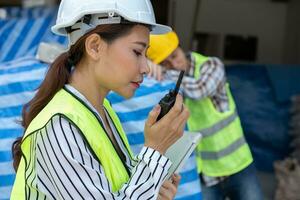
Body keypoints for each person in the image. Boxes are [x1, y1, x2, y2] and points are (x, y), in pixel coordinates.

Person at [10, 1, 190, 199]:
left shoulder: (101, 109)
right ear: (95, 46)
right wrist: (156, 148)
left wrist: (153, 190)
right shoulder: (59, 126)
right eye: (137, 52)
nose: (146, 68)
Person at [147, 31, 263, 200]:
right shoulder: (168, 86)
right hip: (205, 174)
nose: (174, 64)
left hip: (238, 167)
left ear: (181, 49)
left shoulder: (211, 65)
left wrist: (164, 73)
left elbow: (199, 90)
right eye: (166, 63)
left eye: (175, 56)